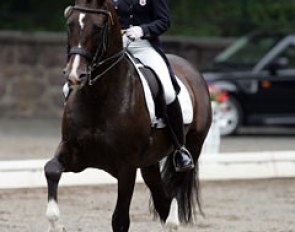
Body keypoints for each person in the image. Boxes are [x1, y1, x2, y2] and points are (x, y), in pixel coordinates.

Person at [111, 0, 194, 172]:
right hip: (113, 47)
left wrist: (143, 30)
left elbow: (164, 21)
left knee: (169, 92)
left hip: (143, 46)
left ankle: (180, 149)